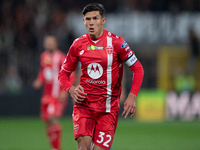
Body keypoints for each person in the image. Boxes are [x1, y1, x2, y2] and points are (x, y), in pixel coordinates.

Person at [58, 3, 144, 150]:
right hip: (84, 106)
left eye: (95, 18)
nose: (91, 23)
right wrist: (71, 89)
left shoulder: (117, 43)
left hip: (108, 110)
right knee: (83, 148)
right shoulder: (77, 45)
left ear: (103, 21)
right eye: (88, 19)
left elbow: (138, 68)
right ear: (83, 21)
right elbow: (63, 74)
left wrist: (132, 96)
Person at [33, 35, 76, 150]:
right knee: (47, 121)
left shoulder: (62, 57)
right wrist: (39, 80)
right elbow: (43, 72)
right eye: (47, 42)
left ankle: (57, 148)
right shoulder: (43, 57)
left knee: (52, 118)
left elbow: (71, 74)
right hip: (46, 95)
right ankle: (54, 147)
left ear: (56, 44)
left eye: (51, 42)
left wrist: (66, 90)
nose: (49, 44)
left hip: (57, 95)